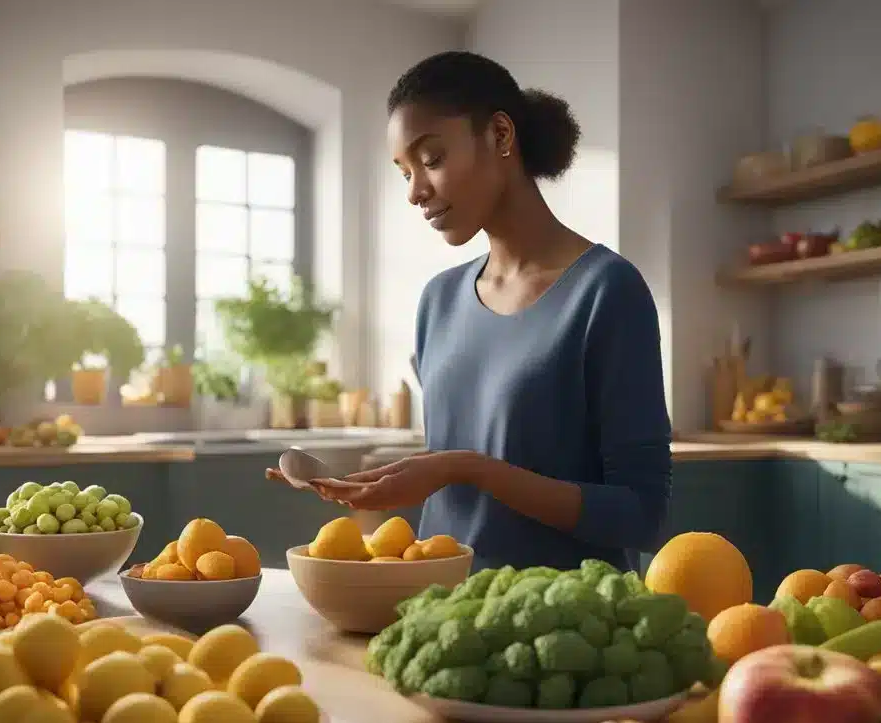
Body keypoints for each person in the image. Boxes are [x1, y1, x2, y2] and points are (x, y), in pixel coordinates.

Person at [268, 51, 671, 571]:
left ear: (501, 136)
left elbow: (641, 516)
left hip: (566, 627)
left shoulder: (607, 291)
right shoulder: (438, 301)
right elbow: (459, 488)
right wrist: (393, 482)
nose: (415, 192)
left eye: (431, 159)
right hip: (445, 618)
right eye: (404, 172)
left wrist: (466, 469)